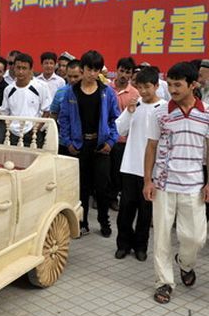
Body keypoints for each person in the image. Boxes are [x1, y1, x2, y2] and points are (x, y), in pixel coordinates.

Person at [143, 62, 209, 304]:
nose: (172, 89)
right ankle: (164, 282)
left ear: (193, 85)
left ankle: (185, 262)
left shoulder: (207, 114)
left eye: (178, 85)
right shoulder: (159, 113)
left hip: (194, 186)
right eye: (169, 84)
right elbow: (151, 147)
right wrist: (148, 180)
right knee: (161, 237)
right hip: (163, 184)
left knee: (195, 237)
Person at [59, 50, 120, 237]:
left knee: (102, 187)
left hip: (101, 146)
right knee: (81, 187)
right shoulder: (71, 91)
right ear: (82, 68)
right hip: (78, 146)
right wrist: (67, 142)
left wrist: (110, 141)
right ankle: (82, 221)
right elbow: (64, 119)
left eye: (96, 70)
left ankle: (104, 221)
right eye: (89, 69)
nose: (92, 73)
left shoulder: (107, 92)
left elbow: (115, 119)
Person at [114, 68, 164, 262]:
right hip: (130, 165)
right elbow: (120, 128)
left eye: (147, 87)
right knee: (126, 208)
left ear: (157, 86)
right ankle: (123, 245)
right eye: (140, 87)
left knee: (146, 211)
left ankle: (141, 246)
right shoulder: (134, 105)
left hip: (153, 170)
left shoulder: (165, 107)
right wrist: (129, 111)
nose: (143, 91)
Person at [0, 53, 52, 147]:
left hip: (33, 134)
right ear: (14, 68)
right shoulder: (8, 89)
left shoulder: (41, 87)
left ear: (31, 70)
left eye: (24, 68)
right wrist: (10, 128)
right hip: (12, 134)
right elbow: (4, 112)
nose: (20, 71)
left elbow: (47, 110)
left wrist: (36, 128)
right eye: (18, 68)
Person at [109, 57, 140, 211]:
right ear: (117, 70)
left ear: (131, 74)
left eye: (127, 72)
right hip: (107, 137)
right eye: (121, 71)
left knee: (117, 171)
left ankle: (113, 197)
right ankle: (101, 196)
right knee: (105, 170)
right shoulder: (107, 88)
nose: (123, 75)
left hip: (122, 139)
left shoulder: (135, 94)